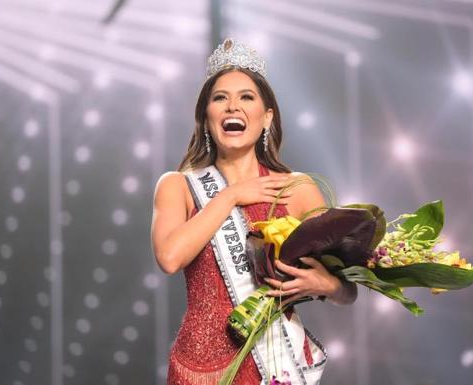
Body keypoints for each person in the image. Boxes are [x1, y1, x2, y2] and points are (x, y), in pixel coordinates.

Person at [151, 38, 357, 385]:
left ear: (267, 117)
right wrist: (230, 196)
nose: (233, 107)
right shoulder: (177, 186)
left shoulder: (296, 188)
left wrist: (327, 284)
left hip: (276, 361)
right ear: (206, 117)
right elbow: (170, 258)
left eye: (247, 97)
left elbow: (348, 290)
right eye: (220, 98)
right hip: (199, 370)